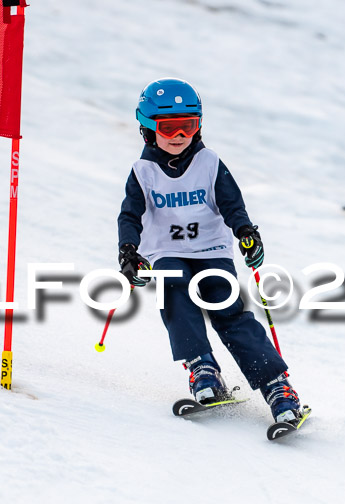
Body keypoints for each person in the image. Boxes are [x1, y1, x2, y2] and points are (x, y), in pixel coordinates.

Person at [117, 78, 305, 424]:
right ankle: (202, 366)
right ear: (147, 129)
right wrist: (128, 251)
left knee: (226, 307)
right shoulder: (143, 172)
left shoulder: (209, 163)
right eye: (168, 127)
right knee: (174, 290)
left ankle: (277, 387)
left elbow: (232, 205)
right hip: (165, 251)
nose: (179, 136)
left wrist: (246, 232)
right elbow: (130, 215)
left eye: (188, 126)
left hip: (211, 249)